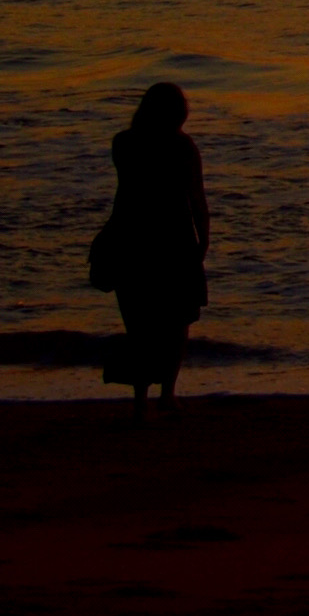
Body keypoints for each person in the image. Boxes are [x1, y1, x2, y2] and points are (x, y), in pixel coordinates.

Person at [99, 82, 210, 418]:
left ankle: (140, 400)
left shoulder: (123, 143)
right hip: (172, 239)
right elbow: (196, 198)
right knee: (177, 321)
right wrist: (203, 240)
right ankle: (168, 393)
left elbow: (128, 192)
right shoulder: (182, 146)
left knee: (139, 323)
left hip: (130, 237)